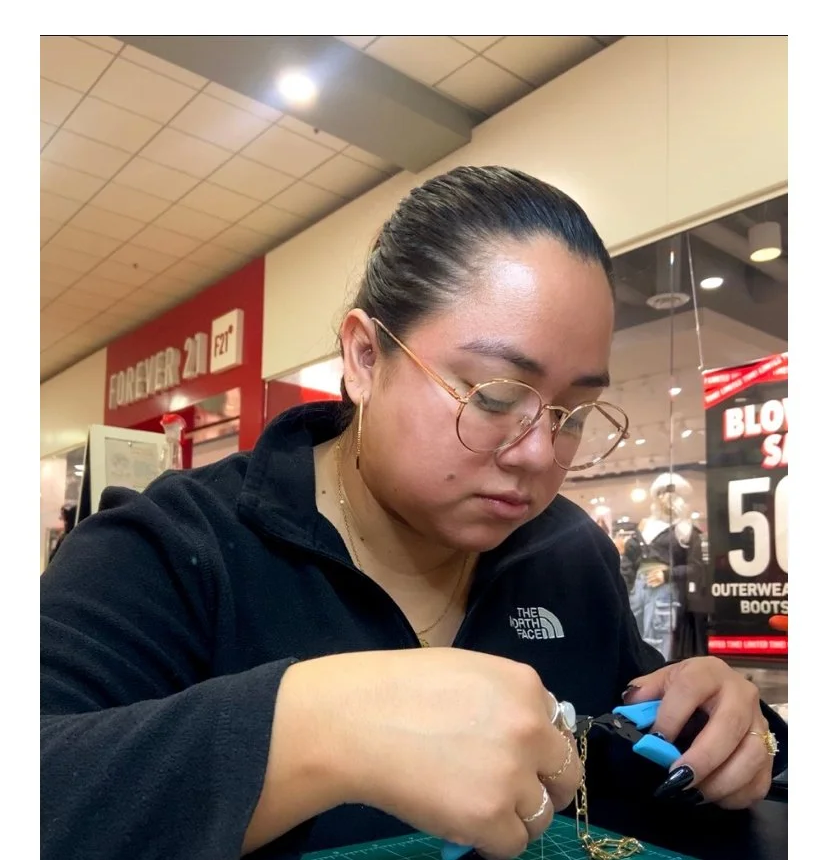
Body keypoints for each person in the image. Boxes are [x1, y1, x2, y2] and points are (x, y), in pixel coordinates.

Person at [41, 166, 785, 860]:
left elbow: (629, 744)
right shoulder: (174, 547)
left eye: (576, 413)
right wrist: (311, 729)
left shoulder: (564, 550)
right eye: (494, 396)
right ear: (365, 357)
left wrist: (731, 730)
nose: (537, 453)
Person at [621, 474, 708, 661]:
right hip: (637, 589)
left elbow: (696, 568)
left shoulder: (685, 531)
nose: (664, 498)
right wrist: (622, 590)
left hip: (664, 590)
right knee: (632, 637)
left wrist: (667, 574)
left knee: (658, 640)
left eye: (669, 493)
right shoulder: (644, 528)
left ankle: (658, 681)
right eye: (660, 493)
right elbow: (628, 561)